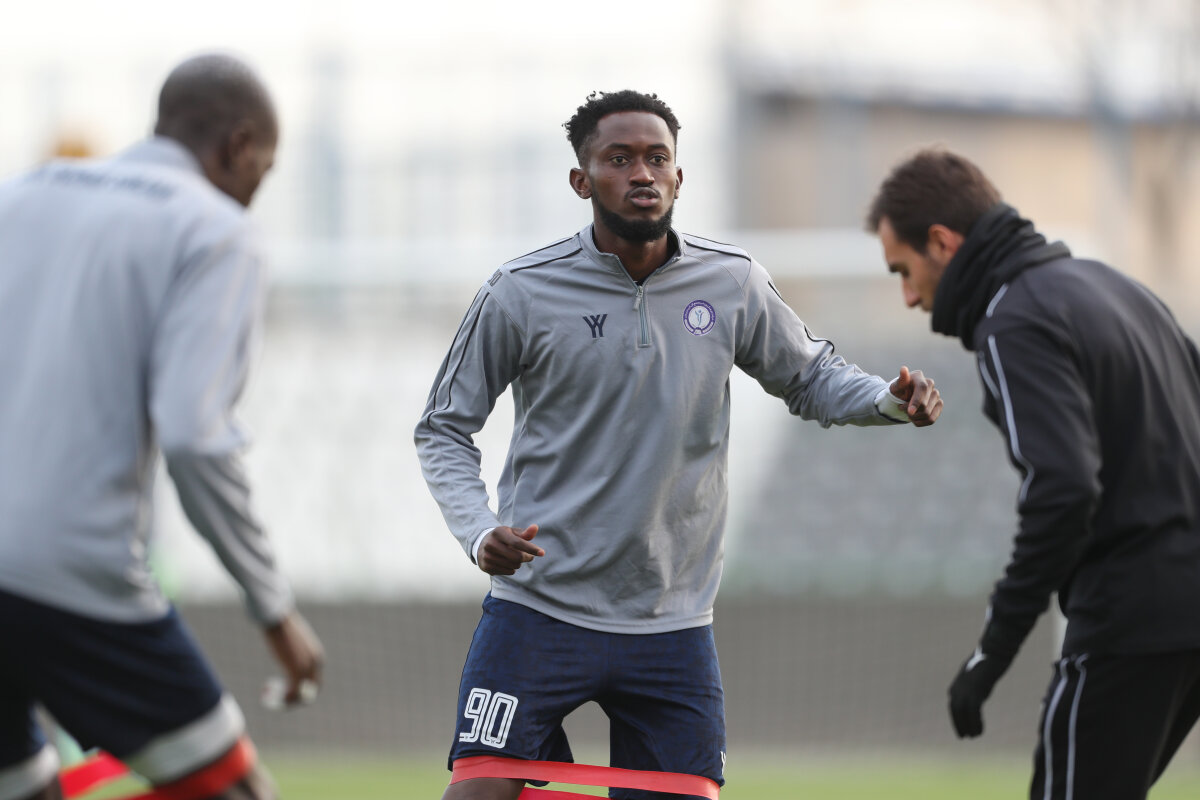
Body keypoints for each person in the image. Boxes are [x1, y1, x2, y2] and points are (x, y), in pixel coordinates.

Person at [414, 89, 943, 800]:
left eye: (657, 158)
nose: (642, 173)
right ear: (581, 181)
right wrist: (479, 531)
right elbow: (443, 426)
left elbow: (810, 377)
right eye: (619, 159)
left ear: (679, 176)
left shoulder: (731, 283)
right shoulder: (520, 291)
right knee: (479, 793)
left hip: (671, 625)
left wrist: (886, 400)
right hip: (538, 611)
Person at [0, 54, 324, 800]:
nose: (257, 191)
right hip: (70, 576)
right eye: (265, 170)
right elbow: (193, 434)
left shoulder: (22, 193)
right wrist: (272, 607)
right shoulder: (216, 231)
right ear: (239, 146)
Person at [867, 148, 1200, 800]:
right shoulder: (1115, 287)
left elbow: (1064, 491)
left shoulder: (1015, 320)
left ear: (943, 242)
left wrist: (992, 652)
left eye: (903, 271)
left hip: (1131, 620)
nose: (907, 297)